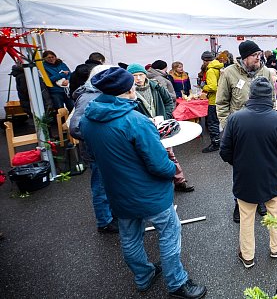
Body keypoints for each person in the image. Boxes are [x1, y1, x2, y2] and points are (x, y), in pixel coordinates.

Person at [80, 67, 206, 298]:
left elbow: (93, 154)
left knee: (130, 236)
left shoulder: (88, 118)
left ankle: (143, 276)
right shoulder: (136, 121)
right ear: (128, 90)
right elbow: (159, 164)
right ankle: (177, 283)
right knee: (169, 231)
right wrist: (172, 170)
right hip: (149, 192)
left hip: (117, 191)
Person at [220, 77, 277, 269]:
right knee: (274, 213)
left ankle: (247, 256)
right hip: (273, 178)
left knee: (246, 218)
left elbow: (224, 151)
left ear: (251, 94)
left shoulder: (235, 118)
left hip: (244, 178)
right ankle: (276, 247)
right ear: (271, 94)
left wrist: (238, 163)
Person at [216, 40, 273, 222]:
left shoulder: (264, 71)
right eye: (255, 56)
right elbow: (222, 102)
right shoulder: (229, 73)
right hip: (239, 130)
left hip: (262, 129)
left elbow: (271, 97)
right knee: (241, 169)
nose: (259, 58)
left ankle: (260, 200)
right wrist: (227, 126)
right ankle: (239, 203)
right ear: (245, 57)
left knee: (262, 166)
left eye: (259, 55)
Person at [127, 63, 194, 193]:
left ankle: (180, 182)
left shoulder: (156, 86)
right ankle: (157, 187)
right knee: (147, 157)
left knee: (170, 154)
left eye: (141, 75)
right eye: (134, 76)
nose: (139, 78)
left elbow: (169, 101)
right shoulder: (128, 92)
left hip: (161, 127)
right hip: (142, 130)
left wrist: (166, 116)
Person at [69, 64, 117, 234]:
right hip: (95, 151)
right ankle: (104, 222)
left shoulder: (101, 93)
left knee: (108, 184)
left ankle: (111, 215)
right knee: (100, 186)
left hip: (104, 150)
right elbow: (75, 128)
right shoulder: (89, 97)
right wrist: (99, 136)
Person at [200, 51, 224, 153]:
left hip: (214, 100)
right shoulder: (219, 67)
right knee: (221, 122)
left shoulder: (210, 70)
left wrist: (203, 86)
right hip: (222, 99)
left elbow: (213, 87)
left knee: (213, 123)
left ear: (205, 60)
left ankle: (215, 144)